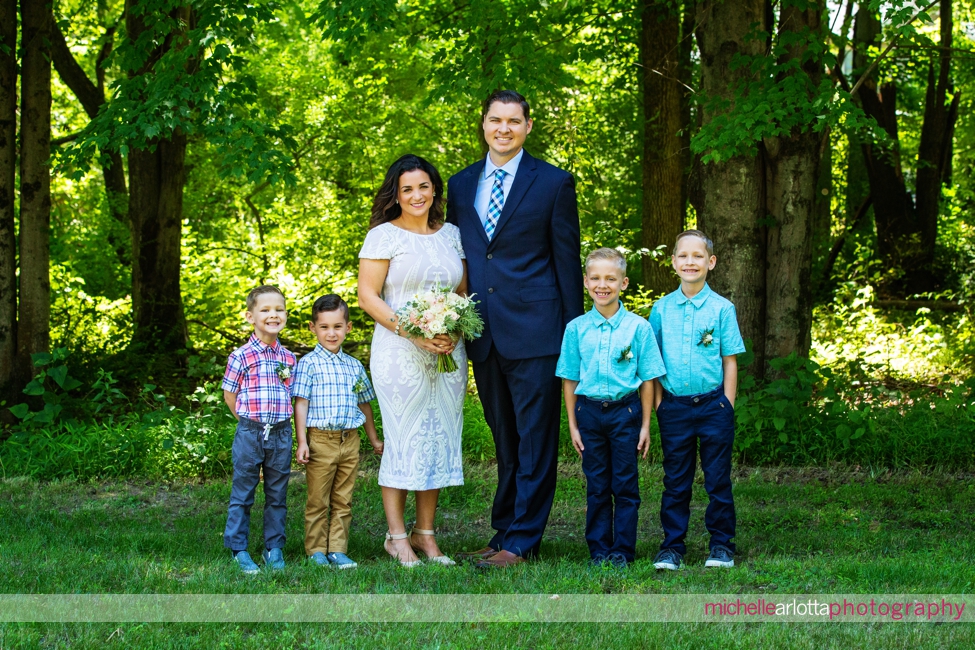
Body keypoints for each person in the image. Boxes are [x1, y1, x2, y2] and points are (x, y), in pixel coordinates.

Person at [446, 89, 584, 568]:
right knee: (504, 436)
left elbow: (566, 263)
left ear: (528, 126)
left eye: (513, 121)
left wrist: (574, 338)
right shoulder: (460, 185)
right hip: (483, 332)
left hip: (538, 331)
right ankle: (503, 529)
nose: (503, 128)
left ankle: (523, 541)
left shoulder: (553, 183)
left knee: (535, 438)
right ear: (482, 124)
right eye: (494, 120)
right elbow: (458, 259)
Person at [358, 154, 467, 567]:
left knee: (437, 438)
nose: (416, 195)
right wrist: (415, 334)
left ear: (434, 189)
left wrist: (453, 331)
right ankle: (397, 536)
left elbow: (461, 295)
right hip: (399, 350)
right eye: (407, 189)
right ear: (396, 195)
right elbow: (368, 297)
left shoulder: (452, 235)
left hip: (447, 352)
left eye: (423, 186)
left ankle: (426, 534)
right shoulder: (383, 236)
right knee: (404, 439)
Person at [557, 248, 666, 568]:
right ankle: (599, 549)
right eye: (595, 278)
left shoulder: (638, 328)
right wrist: (573, 426)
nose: (602, 285)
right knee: (597, 485)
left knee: (625, 484)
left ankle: (622, 551)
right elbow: (569, 379)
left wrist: (645, 425)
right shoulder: (576, 329)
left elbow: (647, 379)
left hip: (626, 413)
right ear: (586, 282)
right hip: (589, 414)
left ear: (624, 282)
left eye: (610, 278)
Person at [649, 230, 746, 571]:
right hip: (674, 406)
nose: (690, 261)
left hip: (713, 406)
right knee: (676, 480)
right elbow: (653, 362)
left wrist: (727, 405)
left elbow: (729, 360)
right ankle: (672, 547)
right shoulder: (660, 310)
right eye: (683, 256)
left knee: (718, 478)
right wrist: (660, 403)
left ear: (711, 262)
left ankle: (721, 545)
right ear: (673, 262)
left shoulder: (722, 309)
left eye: (698, 256)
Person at [292, 294, 383, 570]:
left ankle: (338, 550)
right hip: (320, 440)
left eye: (337, 326)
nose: (331, 333)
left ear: (348, 327)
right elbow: (301, 404)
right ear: (312, 328)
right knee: (318, 499)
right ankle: (316, 550)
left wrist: (373, 438)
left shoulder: (354, 366)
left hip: (349, 440)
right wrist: (302, 441)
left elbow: (364, 404)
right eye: (324, 327)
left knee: (344, 499)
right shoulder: (308, 364)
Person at [221, 285, 297, 574]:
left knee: (277, 494)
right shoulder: (241, 356)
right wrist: (248, 423)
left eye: (278, 309)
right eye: (265, 310)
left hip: (281, 433)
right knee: (243, 493)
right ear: (250, 316)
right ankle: (238, 549)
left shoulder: (289, 358)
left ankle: (274, 548)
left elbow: (290, 395)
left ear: (285, 315)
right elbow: (231, 395)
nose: (272, 314)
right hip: (250, 432)